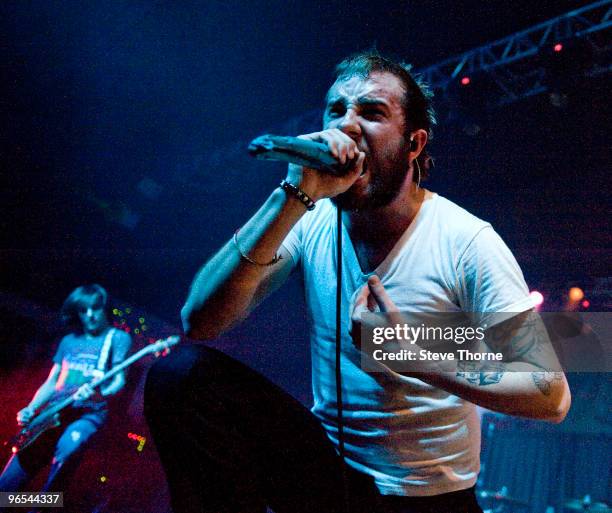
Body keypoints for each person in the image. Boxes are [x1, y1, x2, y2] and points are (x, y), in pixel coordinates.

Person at [144, 51, 571, 513]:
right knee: (182, 375)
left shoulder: (466, 242)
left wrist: (416, 359)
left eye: (371, 113)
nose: (347, 125)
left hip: (427, 499)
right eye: (336, 110)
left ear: (414, 144)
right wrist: (293, 194)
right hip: (330, 474)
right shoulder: (311, 218)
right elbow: (201, 320)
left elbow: (551, 396)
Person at [0, 284, 132, 502]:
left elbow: (119, 380)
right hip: (53, 412)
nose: (90, 315)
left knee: (70, 447)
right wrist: (31, 408)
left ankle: (44, 506)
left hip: (88, 414)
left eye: (96, 308)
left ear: (105, 308)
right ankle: (28, 502)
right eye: (83, 309)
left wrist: (98, 395)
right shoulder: (69, 341)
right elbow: (53, 381)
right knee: (8, 484)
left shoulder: (117, 338)